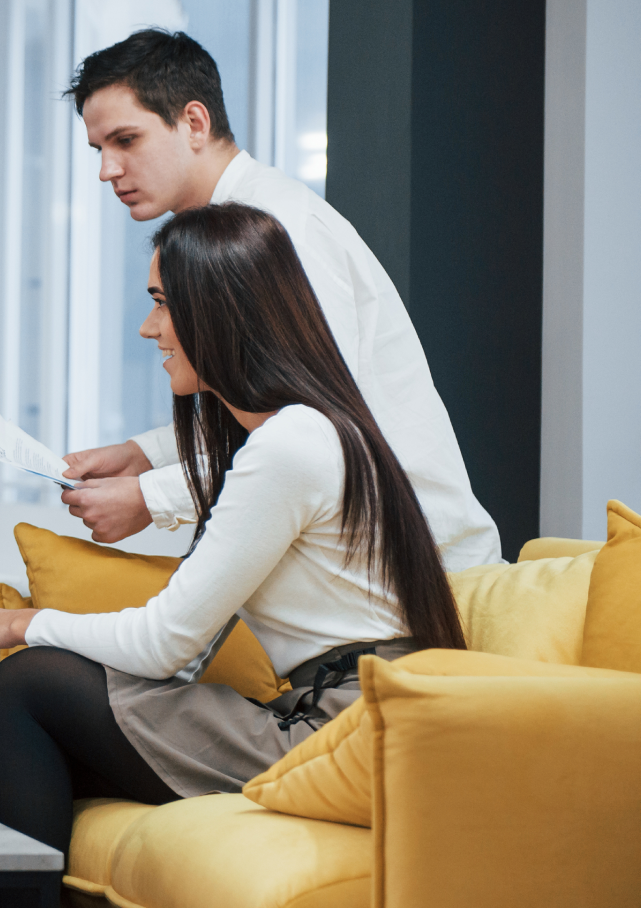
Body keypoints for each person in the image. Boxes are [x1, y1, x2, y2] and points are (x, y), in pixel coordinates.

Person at [0, 204, 467, 907]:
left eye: (162, 306)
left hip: (342, 736)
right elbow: (190, 645)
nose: (149, 329)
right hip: (334, 721)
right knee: (17, 713)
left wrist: (20, 628)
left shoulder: (293, 446)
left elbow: (168, 641)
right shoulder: (289, 437)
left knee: (30, 685)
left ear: (220, 309)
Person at [57, 29, 501, 572]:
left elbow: (324, 429)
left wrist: (155, 497)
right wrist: (146, 454)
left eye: (126, 141)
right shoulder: (228, 231)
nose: (107, 170)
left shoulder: (279, 231)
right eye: (99, 149)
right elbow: (273, 398)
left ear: (194, 123)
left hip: (414, 570)